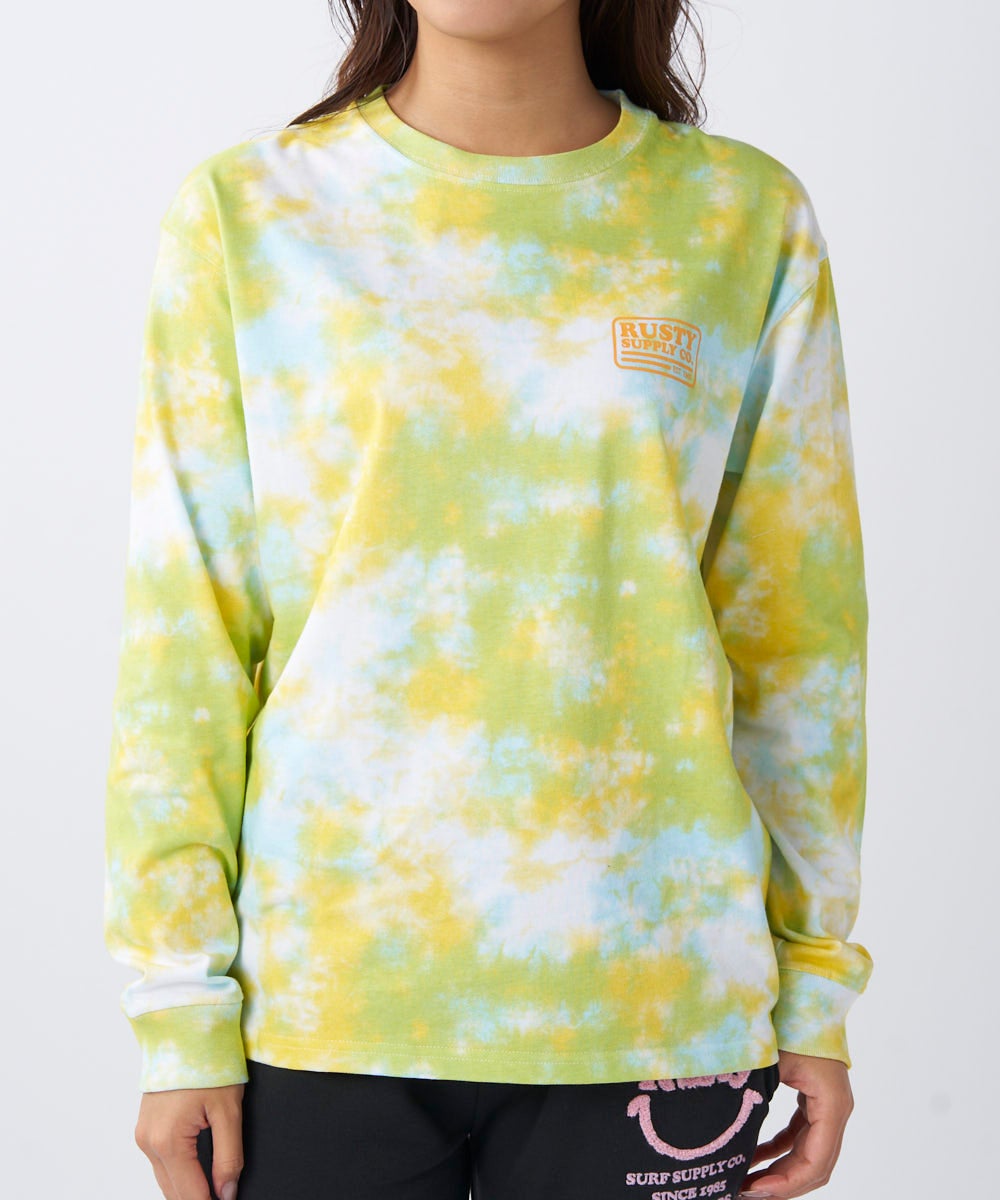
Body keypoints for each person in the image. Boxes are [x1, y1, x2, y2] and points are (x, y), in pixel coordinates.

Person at [103, 2, 873, 1198]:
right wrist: (177, 1004)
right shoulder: (249, 215)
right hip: (321, 1004)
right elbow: (186, 640)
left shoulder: (739, 217)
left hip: (653, 1000)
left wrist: (813, 988)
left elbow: (797, 650)